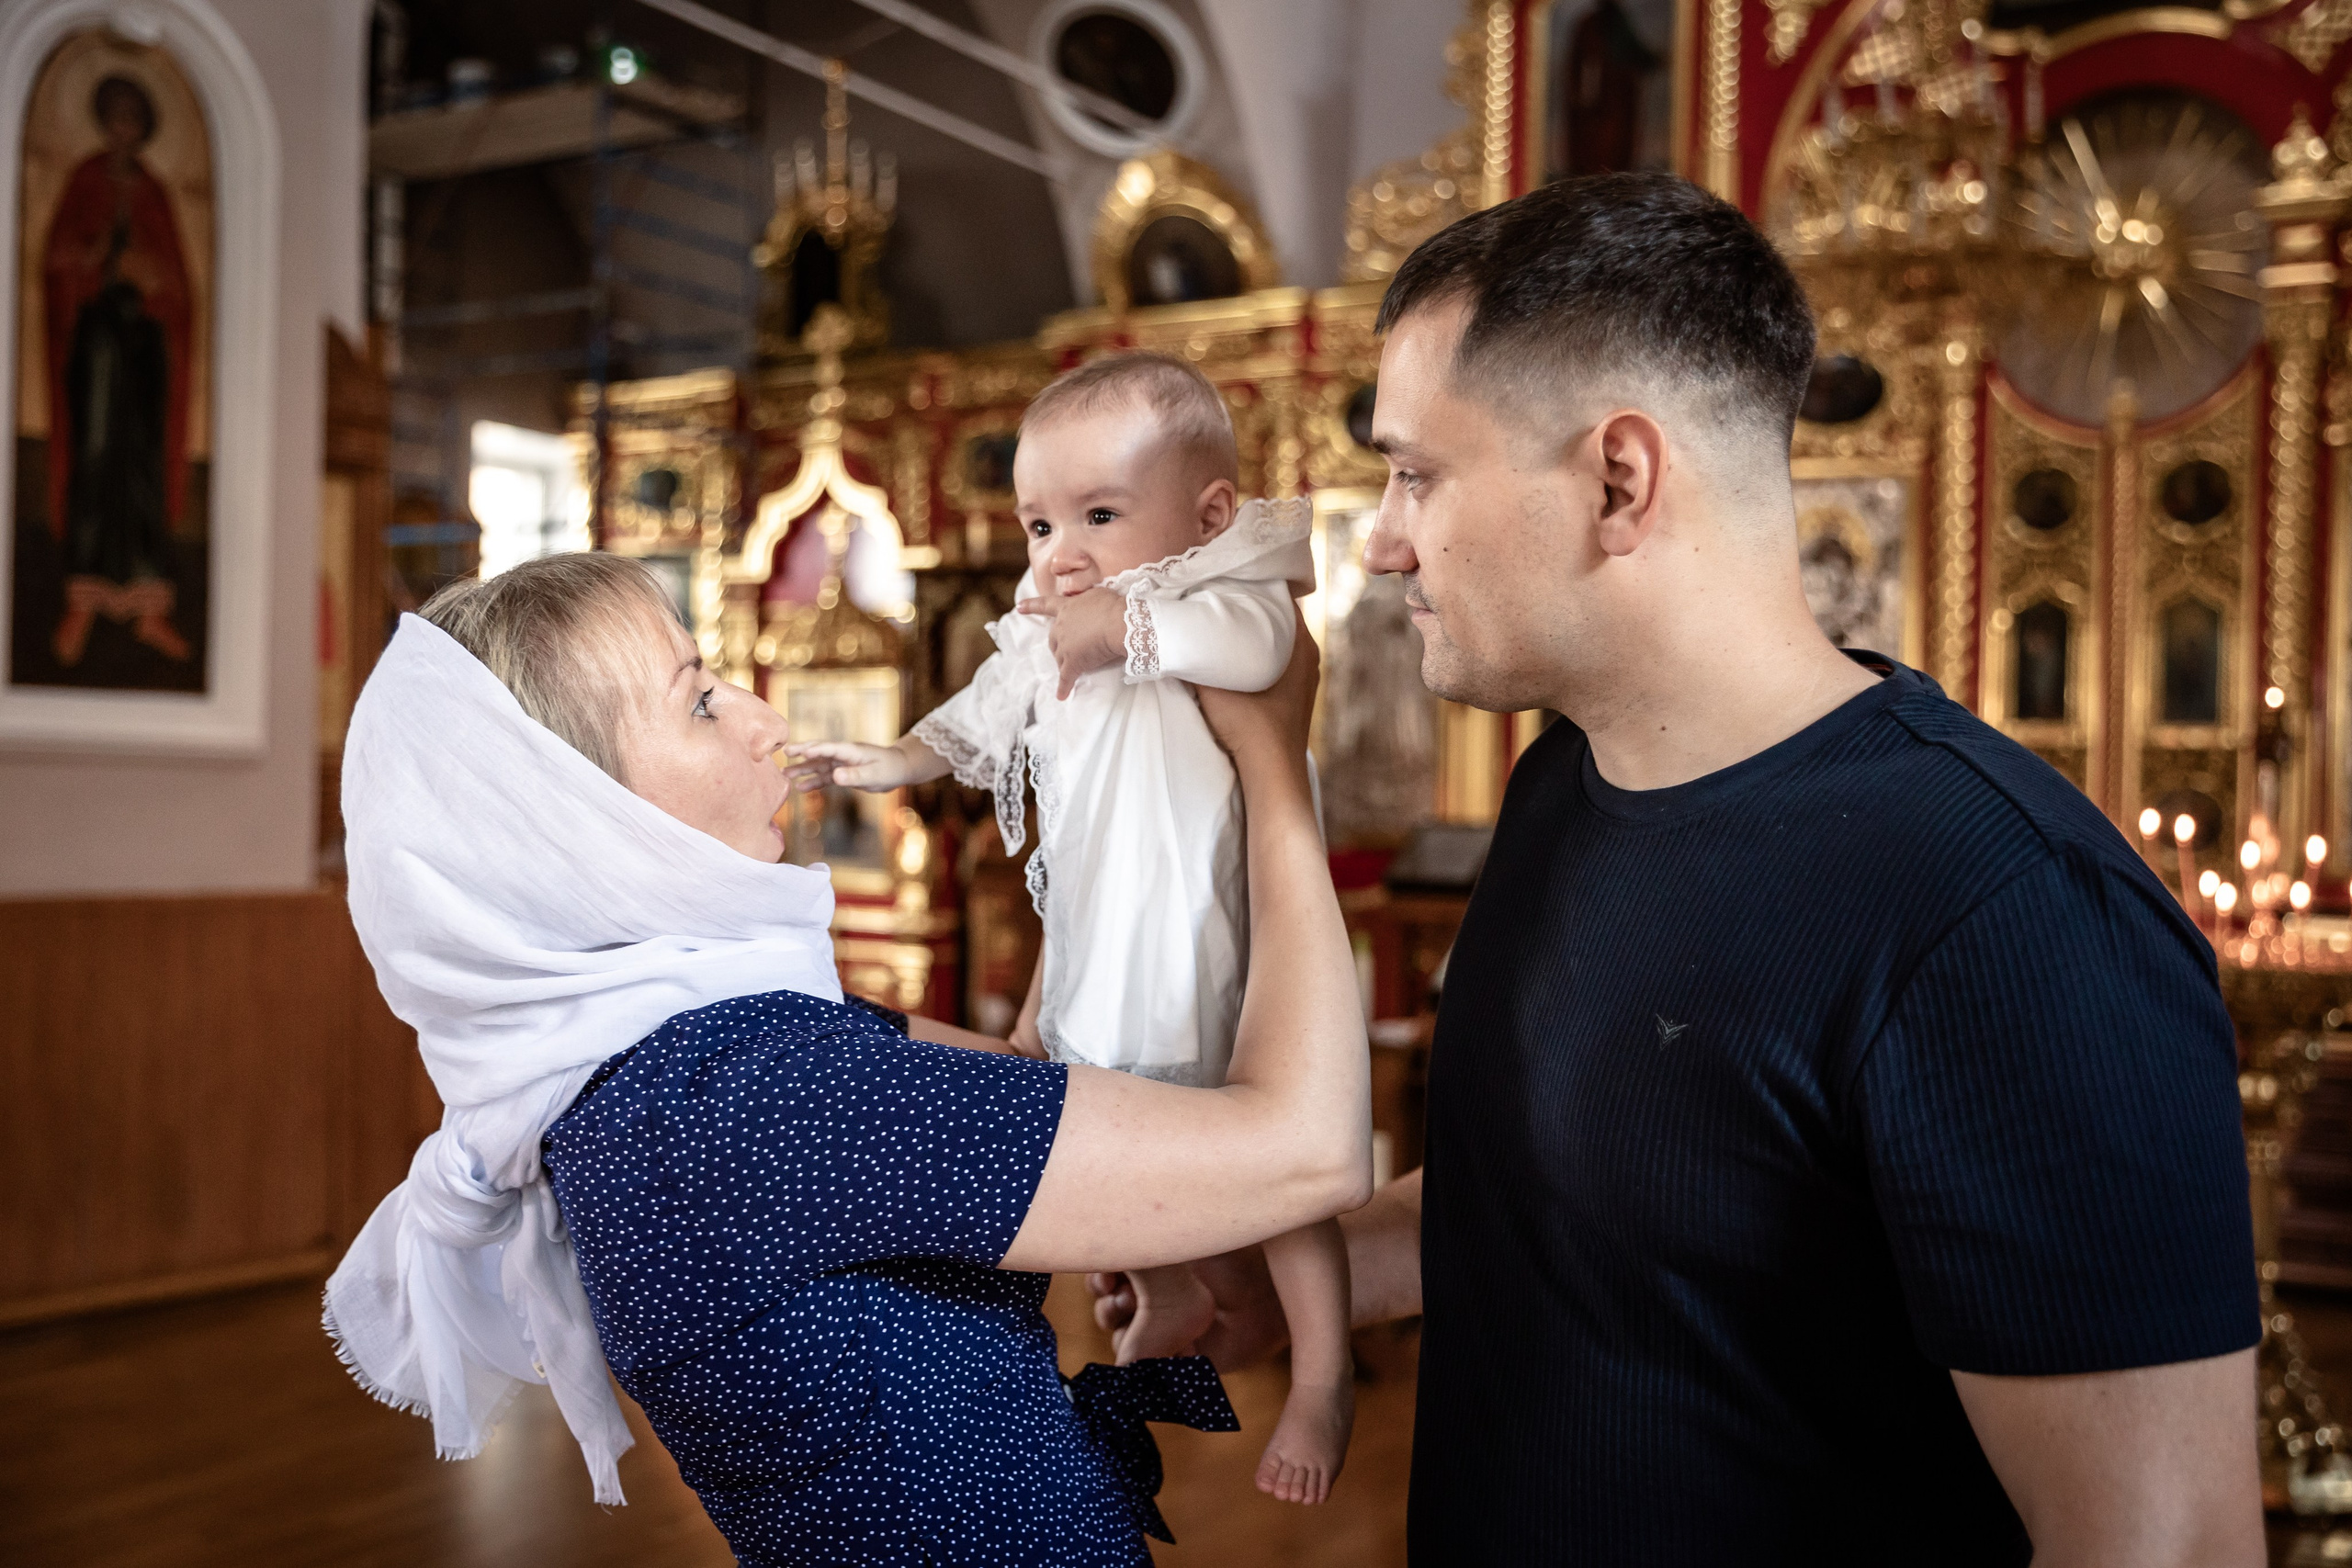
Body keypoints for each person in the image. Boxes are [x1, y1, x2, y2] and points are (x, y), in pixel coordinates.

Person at [1093, 172, 2265, 1566]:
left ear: (1618, 477)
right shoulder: (1561, 785)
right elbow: (1562, 1204)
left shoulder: (2007, 914)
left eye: (1417, 473)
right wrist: (1290, 1280)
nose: (1388, 537)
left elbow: (2162, 1544)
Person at [322, 552, 1369, 1566]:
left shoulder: (671, 1071)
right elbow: (1310, 1148)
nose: (764, 721)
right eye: (699, 702)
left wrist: (1102, 804)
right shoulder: (752, 1100)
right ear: (581, 825)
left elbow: (1025, 1070)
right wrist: (1271, 764)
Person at [786, 352, 1357, 1506]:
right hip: (1106, 953)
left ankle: (1324, 1374)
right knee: (1116, 1132)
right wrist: (889, 757)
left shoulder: (1227, 597)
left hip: (1215, 953)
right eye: (1041, 523)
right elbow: (976, 720)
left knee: (1276, 1178)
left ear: (1204, 517)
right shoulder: (1052, 629)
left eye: (1100, 514)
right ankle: (1173, 1292)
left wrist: (1128, 633)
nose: (1064, 554)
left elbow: (1259, 655)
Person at [42, 74, 194, 668]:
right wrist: (100, 255)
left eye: (134, 118)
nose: (123, 129)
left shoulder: (154, 192)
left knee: (142, 468)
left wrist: (151, 275)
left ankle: (150, 605)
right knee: (97, 458)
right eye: (116, 117)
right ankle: (84, 595)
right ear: (105, 122)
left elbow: (180, 285)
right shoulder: (85, 180)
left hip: (145, 350)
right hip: (98, 344)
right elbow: (56, 262)